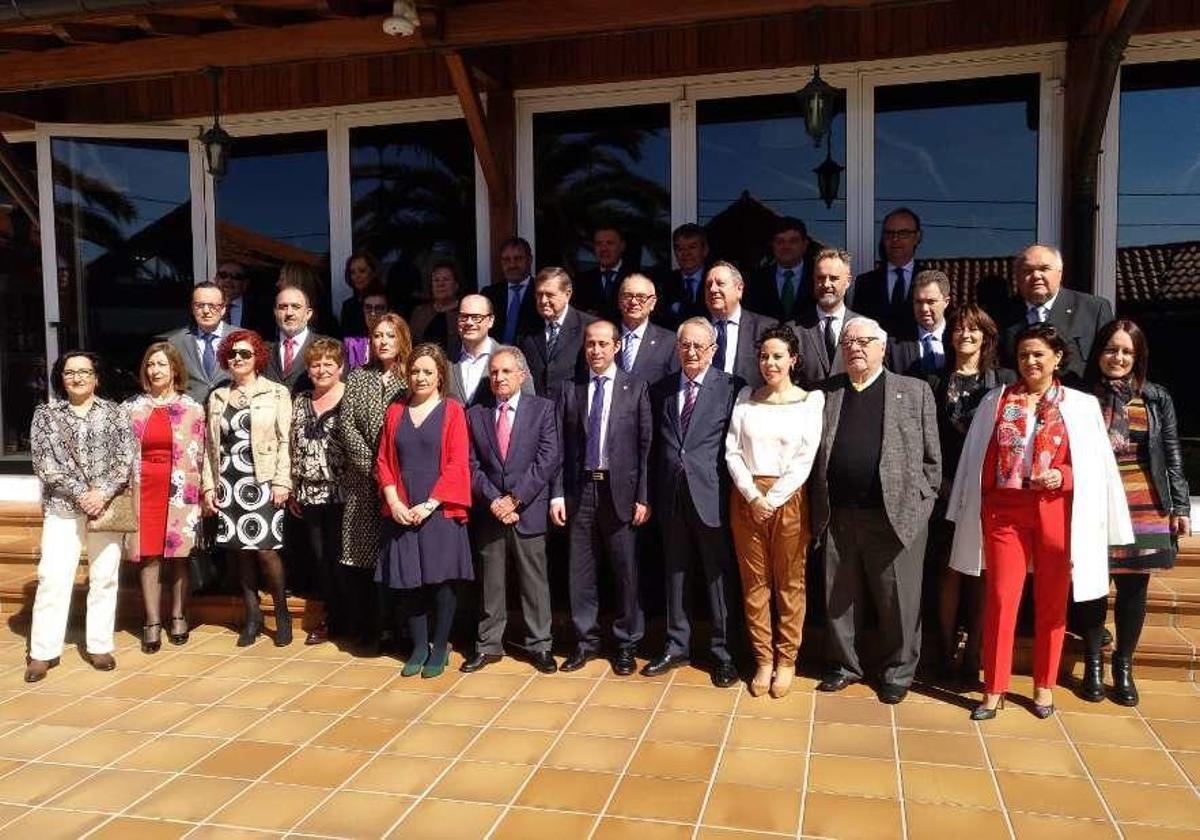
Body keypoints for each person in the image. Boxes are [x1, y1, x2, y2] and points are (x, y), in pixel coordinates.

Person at [948, 324, 1132, 720]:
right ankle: (993, 688)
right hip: (1005, 512)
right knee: (1000, 599)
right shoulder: (997, 401)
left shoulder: (1079, 405)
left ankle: (1044, 685)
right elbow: (978, 458)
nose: (1030, 362)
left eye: (1038, 355)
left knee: (1051, 601)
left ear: (1057, 358)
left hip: (1055, 511)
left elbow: (1094, 466)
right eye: (1024, 355)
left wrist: (1062, 476)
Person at [810, 318, 941, 704]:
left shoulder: (914, 391)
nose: (856, 347)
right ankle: (844, 665)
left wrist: (922, 500)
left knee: (898, 601)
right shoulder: (825, 393)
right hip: (838, 515)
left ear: (883, 348)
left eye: (865, 341)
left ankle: (898, 671)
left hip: (897, 515)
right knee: (839, 595)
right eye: (849, 341)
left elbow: (933, 459)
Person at [1075, 320, 1190, 706]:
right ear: (1099, 352)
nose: (1118, 358)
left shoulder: (1155, 397)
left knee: (1132, 589)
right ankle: (1093, 664)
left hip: (1144, 503)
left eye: (1127, 351)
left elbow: (1171, 453)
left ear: (1137, 356)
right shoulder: (1079, 394)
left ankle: (1123, 665)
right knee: (1092, 585)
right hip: (1094, 501)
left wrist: (1179, 505)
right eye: (1111, 349)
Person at [725, 325, 823, 697]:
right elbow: (732, 450)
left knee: (790, 583)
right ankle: (763, 660)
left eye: (778, 355)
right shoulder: (747, 399)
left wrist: (774, 498)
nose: (770, 363)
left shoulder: (810, 401)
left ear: (793, 359)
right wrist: (752, 494)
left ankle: (787, 660)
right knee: (755, 584)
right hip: (747, 497)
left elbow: (805, 456)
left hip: (789, 498)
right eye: (764, 356)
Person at [644, 317, 741, 688]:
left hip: (712, 496)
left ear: (714, 350)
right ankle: (676, 644)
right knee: (675, 573)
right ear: (677, 347)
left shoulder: (731, 387)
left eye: (700, 346)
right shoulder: (663, 389)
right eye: (686, 345)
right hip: (671, 496)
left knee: (717, 577)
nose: (692, 351)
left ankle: (724, 653)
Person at [26, 351, 134, 682]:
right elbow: (44, 463)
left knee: (105, 576)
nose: (77, 378)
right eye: (70, 372)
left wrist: (100, 493)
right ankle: (43, 652)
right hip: (62, 508)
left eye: (84, 372)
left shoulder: (115, 413)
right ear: (61, 377)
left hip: (106, 507)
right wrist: (81, 495)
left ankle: (99, 645)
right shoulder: (46, 415)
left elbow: (125, 457)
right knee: (53, 578)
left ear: (96, 378)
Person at [552, 321, 652, 675]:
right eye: (590, 344)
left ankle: (626, 643)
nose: (595, 350)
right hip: (581, 490)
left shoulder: (635, 388)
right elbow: (561, 448)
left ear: (617, 347)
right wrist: (557, 494)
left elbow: (645, 447)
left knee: (625, 570)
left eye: (602, 344)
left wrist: (642, 496)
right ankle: (586, 642)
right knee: (581, 571)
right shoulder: (571, 389)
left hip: (620, 491)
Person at [376, 343, 473, 678]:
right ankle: (419, 645)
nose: (419, 377)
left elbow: (457, 463)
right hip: (402, 508)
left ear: (440, 376)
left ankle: (440, 644)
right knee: (410, 582)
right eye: (415, 370)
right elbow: (384, 462)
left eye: (427, 372)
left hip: (439, 508)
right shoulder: (395, 411)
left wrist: (430, 504)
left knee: (442, 583)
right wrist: (395, 502)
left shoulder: (453, 411)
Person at [462, 346, 561, 674]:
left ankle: (540, 644)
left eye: (506, 372)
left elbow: (547, 459)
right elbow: (471, 464)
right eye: (494, 372)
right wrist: (494, 501)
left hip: (527, 510)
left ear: (522, 375)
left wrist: (515, 500)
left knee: (535, 581)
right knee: (491, 582)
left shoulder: (543, 410)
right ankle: (488, 644)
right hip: (490, 513)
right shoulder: (475, 413)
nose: (499, 378)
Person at [934, 304, 1016, 684]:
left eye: (973, 329)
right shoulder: (935, 381)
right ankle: (947, 648)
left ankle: (975, 653)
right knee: (949, 570)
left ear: (986, 335)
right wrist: (942, 484)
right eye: (958, 329)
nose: (965, 335)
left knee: (981, 571)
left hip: (989, 490)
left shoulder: (1003, 383)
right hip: (944, 488)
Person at [201, 329, 294, 647]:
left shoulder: (277, 393)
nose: (238, 359)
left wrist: (283, 480)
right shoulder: (217, 396)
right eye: (232, 354)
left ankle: (281, 612)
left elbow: (286, 441)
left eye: (245, 354)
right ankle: (253, 616)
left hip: (263, 480)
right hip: (230, 480)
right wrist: (209, 486)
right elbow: (209, 447)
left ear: (257, 357)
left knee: (266, 550)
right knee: (240, 553)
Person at [337, 312, 412, 647]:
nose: (383, 341)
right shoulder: (358, 378)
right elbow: (347, 426)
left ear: (402, 340)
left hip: (402, 482)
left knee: (398, 553)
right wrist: (374, 468)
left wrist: (390, 474)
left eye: (390, 336)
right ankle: (374, 627)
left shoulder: (412, 378)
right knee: (366, 558)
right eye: (378, 335)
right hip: (365, 482)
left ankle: (402, 627)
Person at [126, 342, 206, 653]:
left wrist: (204, 493)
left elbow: (205, 456)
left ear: (174, 369)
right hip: (143, 487)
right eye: (150, 365)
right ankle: (151, 621)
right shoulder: (132, 408)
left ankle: (178, 616)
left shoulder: (192, 408)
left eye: (161, 364)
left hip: (181, 488)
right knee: (149, 555)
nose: (155, 370)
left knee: (179, 555)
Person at [289, 337, 347, 645]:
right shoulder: (299, 401)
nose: (321, 370)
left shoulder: (349, 399)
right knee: (321, 559)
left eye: (328, 364)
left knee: (342, 559)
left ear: (340, 367)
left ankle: (349, 618)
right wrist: (294, 488)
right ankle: (330, 618)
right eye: (315, 364)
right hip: (308, 496)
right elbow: (292, 447)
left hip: (343, 495)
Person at [999, 244, 1114, 384]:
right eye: (1027, 270)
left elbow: (1114, 362)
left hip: (1077, 401)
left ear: (1060, 272)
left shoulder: (1093, 310)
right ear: (1017, 277)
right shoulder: (1001, 315)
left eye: (1044, 269)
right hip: (1017, 402)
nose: (1036, 275)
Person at [790, 249, 860, 389]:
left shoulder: (864, 327)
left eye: (833, 278)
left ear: (848, 281)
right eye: (820, 278)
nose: (826, 284)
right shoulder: (793, 330)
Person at [520, 267, 596, 398]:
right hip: (537, 411)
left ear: (567, 294)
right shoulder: (526, 327)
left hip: (573, 411)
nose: (543, 301)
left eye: (549, 295)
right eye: (539, 294)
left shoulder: (589, 327)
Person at [449, 294, 533, 408]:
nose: (469, 322)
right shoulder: (447, 359)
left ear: (490, 321)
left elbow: (529, 402)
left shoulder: (510, 355)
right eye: (463, 316)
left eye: (476, 317)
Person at [851, 208, 925, 337]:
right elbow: (858, 327)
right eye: (889, 233)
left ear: (917, 237)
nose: (895, 239)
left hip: (920, 354)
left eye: (903, 233)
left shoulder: (931, 281)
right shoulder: (865, 283)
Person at [705, 261, 777, 389]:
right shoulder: (696, 328)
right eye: (708, 285)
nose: (713, 289)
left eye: (720, 284)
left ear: (739, 289)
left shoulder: (765, 328)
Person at [164, 280, 232, 405]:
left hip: (230, 412)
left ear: (223, 309)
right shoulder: (176, 342)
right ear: (192, 308)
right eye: (200, 305)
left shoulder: (241, 337)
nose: (206, 311)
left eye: (212, 306)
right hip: (190, 415)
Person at [745, 216, 815, 323]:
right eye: (780, 241)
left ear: (805, 245)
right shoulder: (756, 280)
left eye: (793, 241)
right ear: (773, 245)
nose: (786, 246)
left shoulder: (818, 277)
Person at [265, 282, 331, 393]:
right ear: (275, 312)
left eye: (296, 307)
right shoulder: (262, 349)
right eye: (283, 307)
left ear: (308, 313)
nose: (289, 313)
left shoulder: (330, 347)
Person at [887, 270, 952, 378]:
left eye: (931, 302)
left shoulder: (958, 338)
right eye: (918, 302)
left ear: (946, 302)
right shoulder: (894, 344)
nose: (924, 309)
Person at [617, 274, 679, 384]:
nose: (634, 302)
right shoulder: (605, 337)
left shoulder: (670, 342)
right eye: (627, 295)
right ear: (619, 300)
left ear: (653, 303)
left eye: (641, 297)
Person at [482, 237, 540, 346]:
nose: (512, 265)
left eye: (518, 259)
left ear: (529, 260)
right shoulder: (489, 294)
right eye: (506, 260)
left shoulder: (541, 293)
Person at [657, 223, 711, 328]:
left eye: (692, 247)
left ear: (705, 250)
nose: (686, 253)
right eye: (680, 248)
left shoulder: (716, 281)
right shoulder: (665, 283)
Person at [574, 226, 631, 321]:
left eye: (610, 243)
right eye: (599, 244)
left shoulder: (638, 279)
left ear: (622, 246)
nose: (604, 249)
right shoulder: (582, 280)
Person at [409, 260, 461, 347]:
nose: (440, 284)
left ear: (456, 285)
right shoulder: (420, 312)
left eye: (446, 279)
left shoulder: (465, 313)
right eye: (436, 280)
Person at [340, 251, 384, 339]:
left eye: (362, 271)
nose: (357, 276)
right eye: (353, 272)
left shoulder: (384, 300)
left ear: (373, 273)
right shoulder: (348, 306)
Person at [343, 289, 390, 370]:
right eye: (368, 307)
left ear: (388, 311)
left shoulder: (396, 342)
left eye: (378, 308)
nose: (373, 313)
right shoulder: (353, 344)